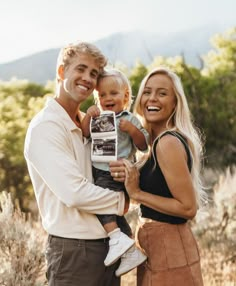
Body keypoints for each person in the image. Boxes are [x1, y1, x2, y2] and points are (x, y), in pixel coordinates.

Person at [24, 42, 127, 286]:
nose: (88, 78)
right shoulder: (46, 127)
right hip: (74, 253)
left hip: (109, 248)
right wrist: (126, 200)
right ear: (61, 72)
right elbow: (75, 193)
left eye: (94, 73)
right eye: (80, 69)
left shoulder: (93, 124)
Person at [120, 67, 206, 285]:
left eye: (162, 93)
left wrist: (137, 193)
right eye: (147, 92)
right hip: (159, 250)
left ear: (175, 102)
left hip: (170, 251)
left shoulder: (167, 142)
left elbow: (188, 208)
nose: (152, 98)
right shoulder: (153, 145)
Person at [81, 68, 148, 277]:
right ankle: (129, 249)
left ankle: (117, 239)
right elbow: (84, 134)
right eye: (102, 95)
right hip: (99, 170)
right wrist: (88, 118)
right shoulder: (100, 119)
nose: (107, 98)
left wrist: (132, 130)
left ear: (126, 96)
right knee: (112, 214)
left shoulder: (130, 119)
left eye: (113, 93)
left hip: (118, 173)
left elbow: (144, 145)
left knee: (101, 204)